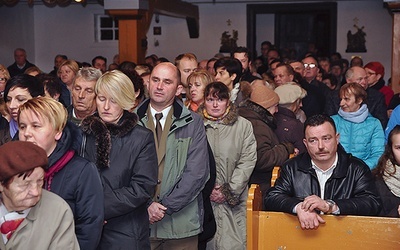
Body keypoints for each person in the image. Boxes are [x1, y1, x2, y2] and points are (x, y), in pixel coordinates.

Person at [80, 70, 158, 249]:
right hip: (87, 231)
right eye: (101, 98)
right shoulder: (83, 134)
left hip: (125, 232)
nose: (106, 106)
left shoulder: (141, 138)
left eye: (113, 100)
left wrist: (97, 207)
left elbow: (142, 187)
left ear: (125, 101)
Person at [136, 62, 210, 249]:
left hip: (181, 224)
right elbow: (122, 172)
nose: (159, 86)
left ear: (178, 89)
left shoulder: (193, 123)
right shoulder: (131, 121)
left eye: (167, 82)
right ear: (148, 83)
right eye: (155, 80)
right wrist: (147, 205)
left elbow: (197, 173)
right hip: (138, 223)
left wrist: (163, 207)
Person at [265, 114, 382, 230]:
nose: (320, 146)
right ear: (305, 144)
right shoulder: (292, 167)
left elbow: (372, 202)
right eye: (313, 141)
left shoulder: (356, 168)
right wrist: (299, 207)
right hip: (302, 238)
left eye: (326, 138)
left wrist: (330, 206)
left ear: (337, 139)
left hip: (345, 236)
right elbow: (272, 197)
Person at [18, 97, 104, 250]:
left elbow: (89, 228)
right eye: (22, 126)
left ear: (58, 132)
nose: (27, 133)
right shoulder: (14, 170)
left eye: (36, 126)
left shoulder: (82, 171)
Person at [198, 82, 256, 249]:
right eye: (210, 100)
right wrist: (207, 189)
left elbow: (248, 160)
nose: (215, 105)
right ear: (204, 101)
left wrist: (228, 190)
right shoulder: (195, 125)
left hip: (234, 201)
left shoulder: (243, 125)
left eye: (220, 99)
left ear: (228, 101)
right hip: (203, 201)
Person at [0, 141, 79, 249]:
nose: (36, 192)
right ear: (1, 184)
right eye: (26, 184)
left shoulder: (58, 211)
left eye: (39, 181)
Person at [238, 82, 295, 196]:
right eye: (275, 106)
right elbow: (262, 159)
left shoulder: (248, 119)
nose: (277, 110)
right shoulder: (258, 126)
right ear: (267, 107)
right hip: (258, 188)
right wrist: (286, 148)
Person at [331, 82, 384, 169]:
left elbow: (378, 154)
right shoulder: (332, 121)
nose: (341, 103)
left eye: (346, 99)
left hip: (364, 173)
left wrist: (358, 169)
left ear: (359, 100)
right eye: (341, 99)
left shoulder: (374, 123)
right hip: (336, 173)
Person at [0, 74, 44, 145]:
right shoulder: (2, 134)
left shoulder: (51, 132)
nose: (12, 106)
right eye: (8, 100)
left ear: (38, 100)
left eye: (20, 99)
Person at [373, 125, 400, 217]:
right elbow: (374, 222)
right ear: (390, 149)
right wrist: (397, 213)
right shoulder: (377, 180)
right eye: (399, 148)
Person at [274, 83, 307, 154]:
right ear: (294, 103)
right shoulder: (295, 126)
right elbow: (302, 154)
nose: (301, 105)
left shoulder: (269, 120)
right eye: (299, 101)